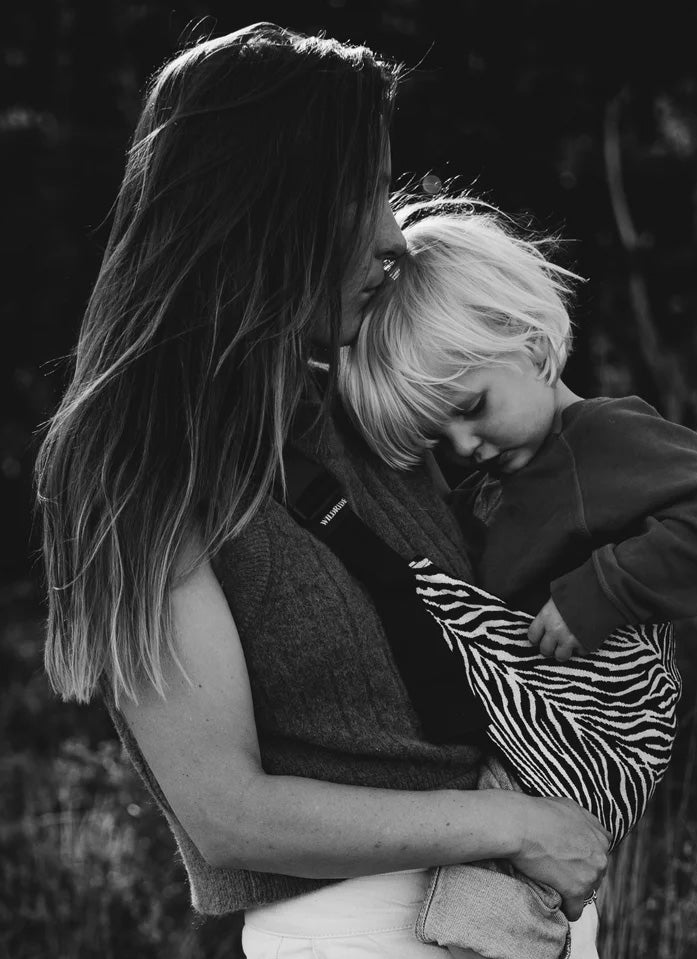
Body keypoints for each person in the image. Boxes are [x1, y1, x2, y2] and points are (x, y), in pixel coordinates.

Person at [34, 23, 610, 959]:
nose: (393, 232)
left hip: (522, 913)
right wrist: (513, 825)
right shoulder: (140, 463)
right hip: (362, 932)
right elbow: (227, 812)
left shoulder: (360, 403)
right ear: (271, 202)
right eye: (364, 191)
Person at [339, 199, 697, 956]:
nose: (464, 445)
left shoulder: (607, 435)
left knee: (508, 849)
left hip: (601, 707)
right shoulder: (499, 472)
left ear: (530, 343)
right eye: (441, 434)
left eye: (472, 408)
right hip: (538, 703)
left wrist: (605, 589)